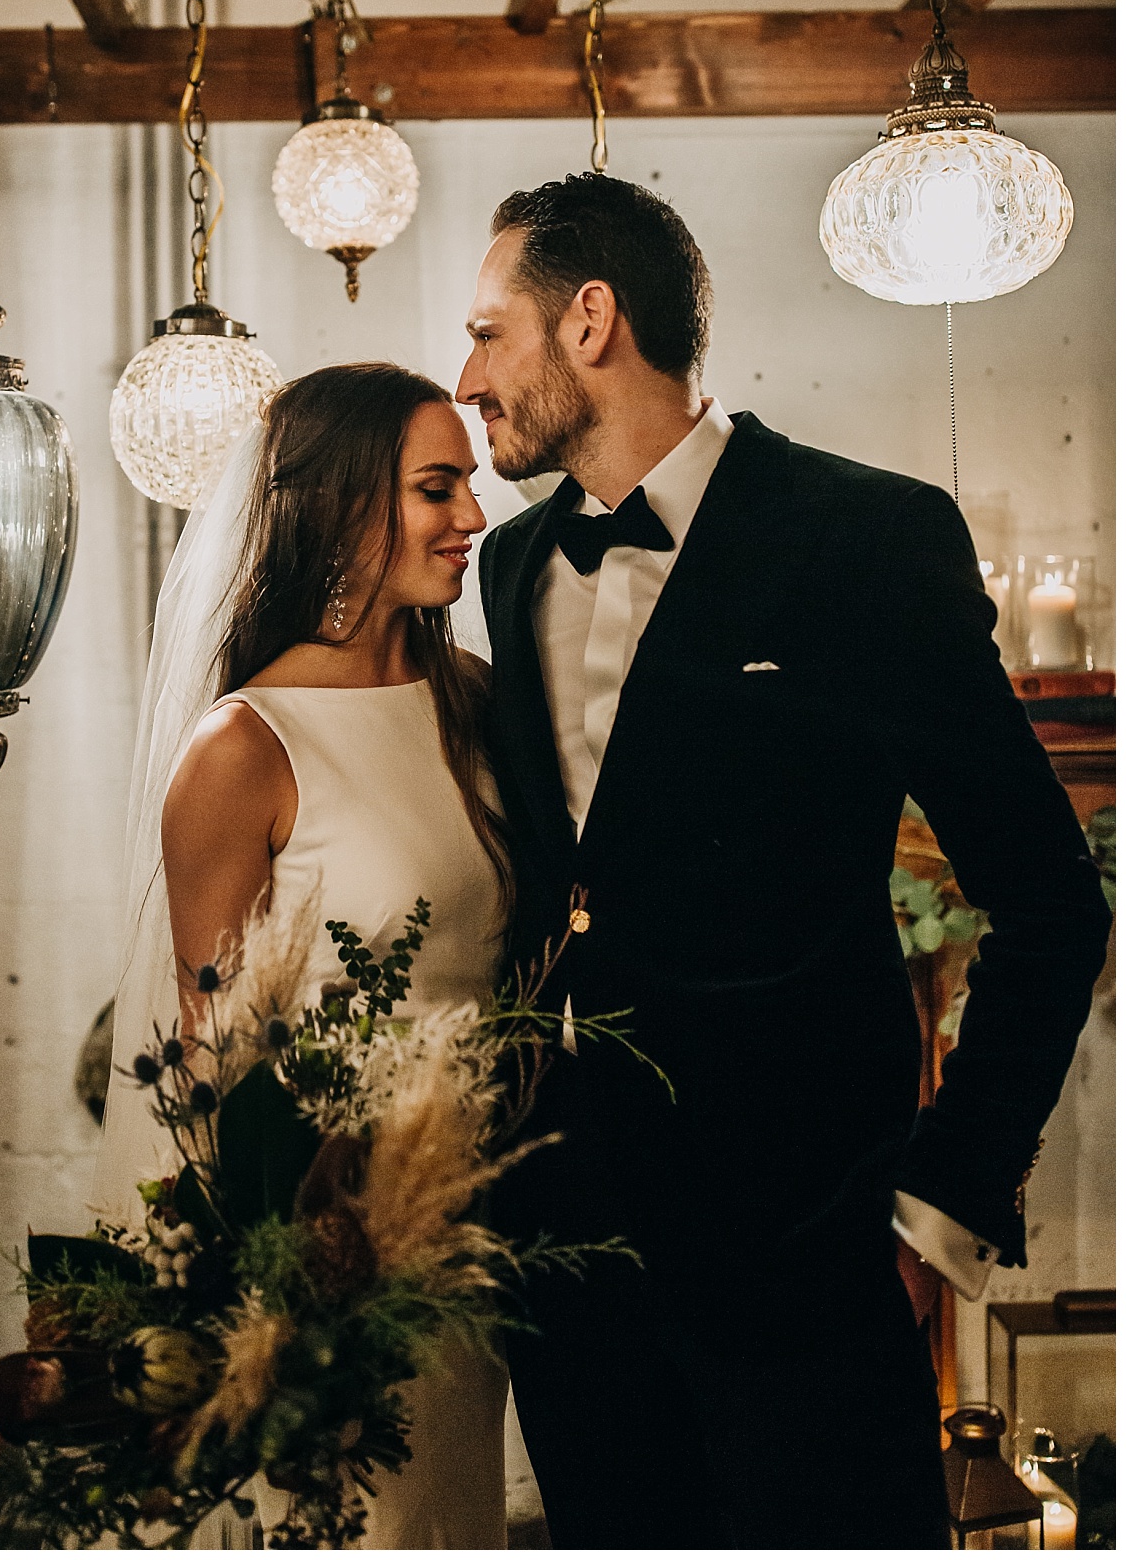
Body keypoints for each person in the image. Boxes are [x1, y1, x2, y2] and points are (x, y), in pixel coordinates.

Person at [457, 171, 1111, 1551]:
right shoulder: (509, 568)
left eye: (486, 333)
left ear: (590, 322)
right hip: (568, 1267)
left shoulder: (862, 537)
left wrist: (945, 1195)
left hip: (807, 1262)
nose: (468, 378)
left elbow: (1051, 901)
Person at [93, 362, 509, 1551]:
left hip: (478, 1234)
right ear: (338, 504)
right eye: (437, 488)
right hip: (329, 1259)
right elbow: (202, 1065)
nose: (471, 515)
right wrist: (261, 1297)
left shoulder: (472, 699)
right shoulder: (244, 746)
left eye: (468, 485)